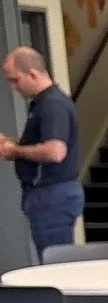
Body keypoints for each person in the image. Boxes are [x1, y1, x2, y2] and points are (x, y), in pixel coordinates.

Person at [1, 46, 83, 256]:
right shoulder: (44, 104)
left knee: (55, 262)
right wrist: (12, 144)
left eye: (15, 80)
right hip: (49, 194)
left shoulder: (52, 105)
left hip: (52, 195)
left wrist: (14, 151)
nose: (13, 87)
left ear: (33, 74)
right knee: (53, 257)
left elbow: (55, 151)